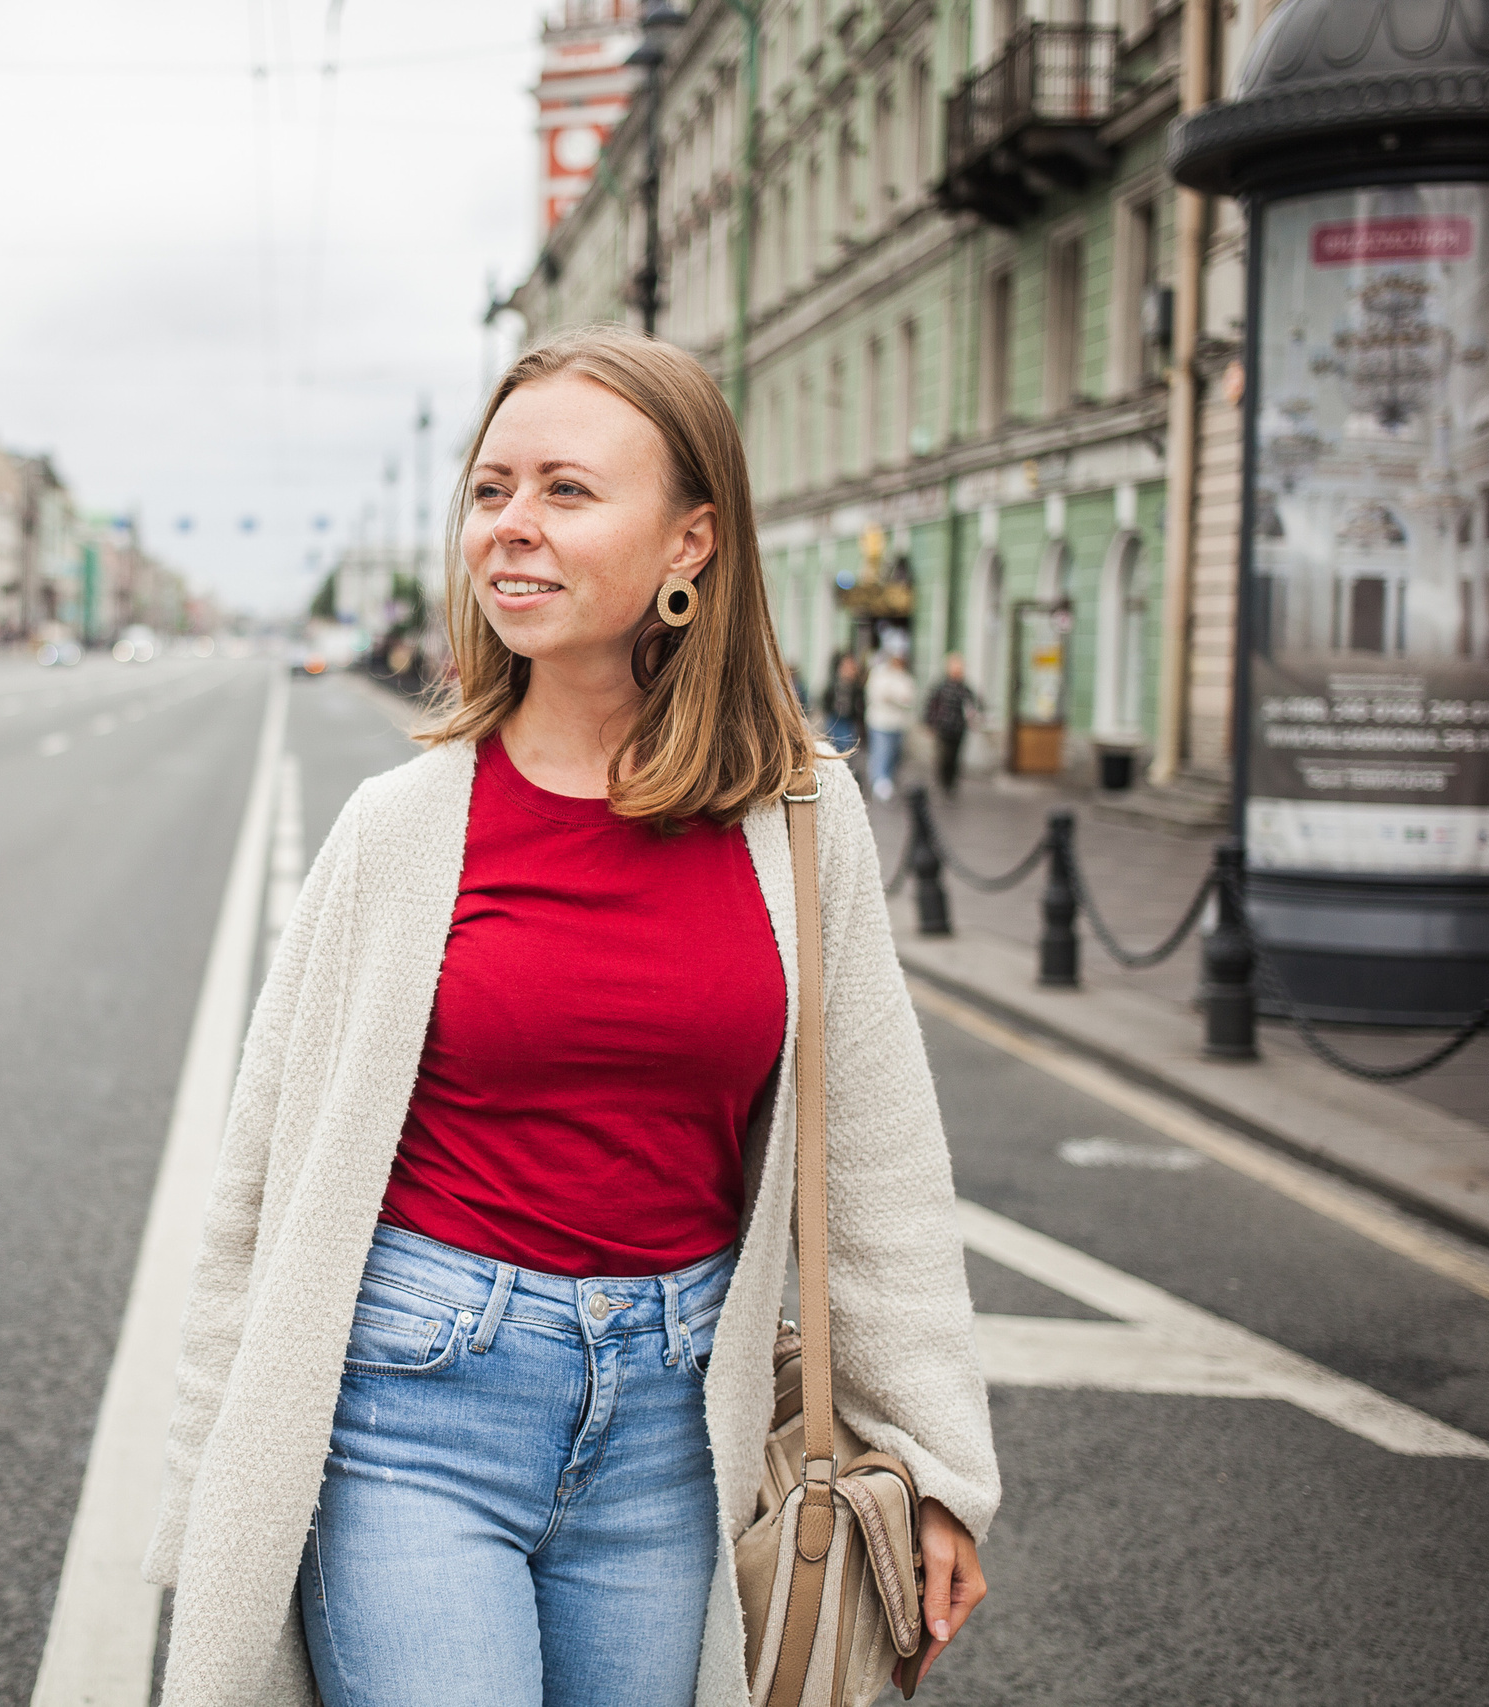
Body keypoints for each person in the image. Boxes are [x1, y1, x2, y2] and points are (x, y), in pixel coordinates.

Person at [149, 325, 996, 1707]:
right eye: (490, 490)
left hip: (676, 1422)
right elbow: (258, 1186)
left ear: (692, 543)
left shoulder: (800, 815)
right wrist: (212, 1490)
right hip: (414, 1404)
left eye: (566, 490)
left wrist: (934, 1462)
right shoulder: (404, 825)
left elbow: (881, 1170)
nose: (511, 529)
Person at [924, 653, 981, 798]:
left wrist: (974, 716)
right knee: (944, 756)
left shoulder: (964, 688)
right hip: (943, 727)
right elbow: (931, 704)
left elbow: (975, 704)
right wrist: (930, 723)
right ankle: (942, 782)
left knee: (955, 758)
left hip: (958, 728)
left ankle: (950, 785)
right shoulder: (942, 686)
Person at [865, 643, 917, 803]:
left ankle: (887, 780)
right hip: (880, 722)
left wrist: (895, 698)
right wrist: (895, 697)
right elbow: (877, 695)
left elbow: (908, 698)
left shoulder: (904, 677)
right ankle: (880, 782)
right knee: (882, 751)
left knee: (894, 754)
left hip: (898, 723)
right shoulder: (879, 674)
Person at [819, 649, 865, 756]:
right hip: (835, 718)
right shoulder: (835, 683)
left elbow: (859, 703)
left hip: (849, 721)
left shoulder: (856, 686)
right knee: (833, 746)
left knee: (847, 747)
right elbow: (827, 698)